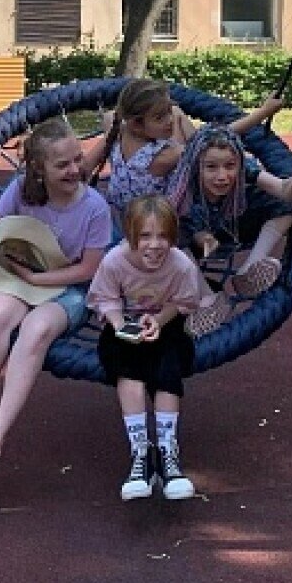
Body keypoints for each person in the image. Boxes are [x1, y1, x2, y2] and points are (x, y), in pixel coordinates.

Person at [0, 116, 112, 495]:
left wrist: (38, 281)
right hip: (23, 276)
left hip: (70, 287)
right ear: (39, 168)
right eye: (62, 164)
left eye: (77, 159)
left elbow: (89, 270)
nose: (75, 170)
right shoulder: (21, 190)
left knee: (35, 329)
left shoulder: (94, 207)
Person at [87, 195, 212, 501]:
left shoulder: (181, 265)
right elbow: (105, 299)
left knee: (168, 368)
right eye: (145, 236)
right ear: (130, 235)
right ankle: (141, 453)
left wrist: (158, 320)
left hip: (166, 326)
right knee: (128, 369)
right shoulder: (114, 261)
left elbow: (183, 302)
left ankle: (168, 454)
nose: (154, 245)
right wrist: (120, 325)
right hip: (123, 327)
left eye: (163, 236)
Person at [84, 77, 286, 221]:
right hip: (156, 219)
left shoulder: (116, 127)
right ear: (136, 124)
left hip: (123, 211)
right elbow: (217, 136)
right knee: (218, 154)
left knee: (179, 115)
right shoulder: (163, 156)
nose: (169, 121)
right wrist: (263, 112)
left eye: (167, 113)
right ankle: (273, 184)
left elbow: (87, 165)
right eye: (159, 117)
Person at [167, 123, 292, 300]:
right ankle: (204, 295)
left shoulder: (245, 168)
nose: (222, 176)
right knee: (171, 232)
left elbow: (283, 190)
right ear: (196, 167)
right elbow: (186, 229)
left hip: (230, 227)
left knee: (288, 203)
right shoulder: (183, 188)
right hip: (194, 240)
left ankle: (249, 270)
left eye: (230, 166)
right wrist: (203, 239)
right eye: (211, 167)